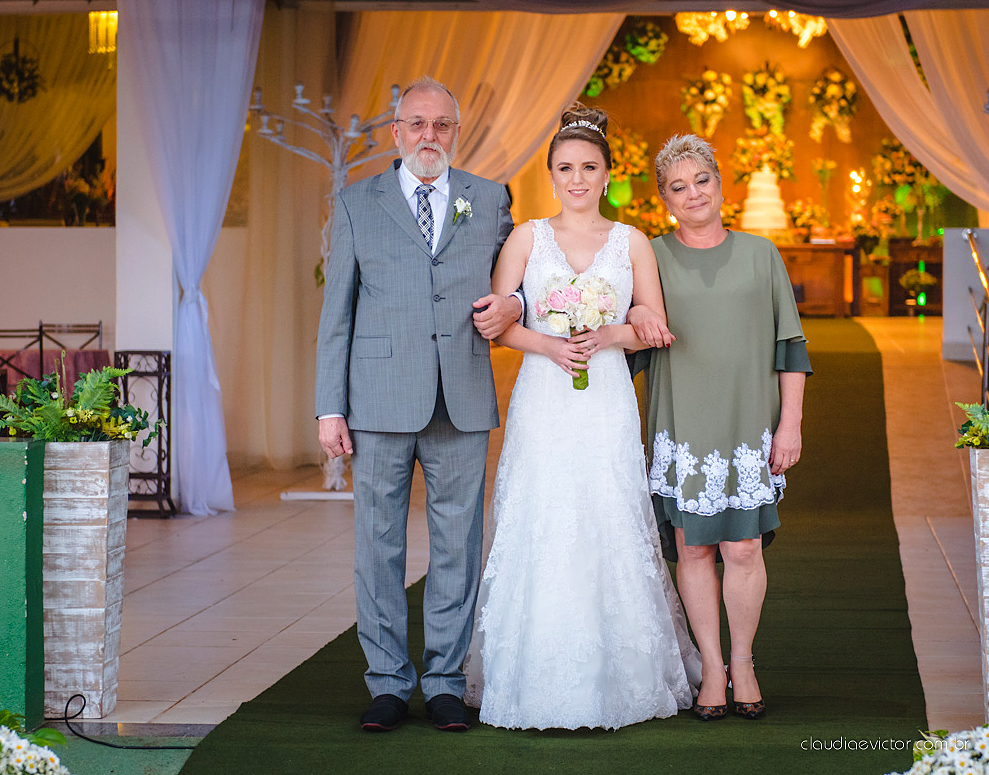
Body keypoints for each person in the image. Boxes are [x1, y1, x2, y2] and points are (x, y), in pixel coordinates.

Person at [463, 104, 700, 731]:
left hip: (605, 401)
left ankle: (621, 678)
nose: (576, 179)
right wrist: (549, 343)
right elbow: (496, 323)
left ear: (606, 175)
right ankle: (529, 676)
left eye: (588, 167)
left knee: (608, 513)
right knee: (542, 517)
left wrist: (607, 333)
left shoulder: (631, 243)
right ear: (550, 174)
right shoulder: (525, 238)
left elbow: (652, 325)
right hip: (543, 396)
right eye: (565, 167)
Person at [315, 76, 521, 733]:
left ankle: (443, 680)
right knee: (376, 544)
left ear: (456, 133)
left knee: (459, 542)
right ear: (396, 132)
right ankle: (386, 683)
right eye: (416, 123)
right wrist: (329, 406)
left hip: (460, 393)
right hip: (376, 400)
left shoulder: (489, 200)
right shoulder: (355, 203)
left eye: (441, 124)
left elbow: (526, 281)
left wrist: (516, 304)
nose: (428, 134)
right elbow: (336, 314)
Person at [629, 134, 811, 721]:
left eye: (701, 180)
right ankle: (711, 666)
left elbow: (790, 347)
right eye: (677, 187)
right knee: (694, 547)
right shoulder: (649, 257)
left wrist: (791, 425)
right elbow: (629, 340)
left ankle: (744, 659)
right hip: (681, 424)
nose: (692, 194)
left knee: (743, 545)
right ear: (664, 199)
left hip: (745, 425)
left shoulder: (762, 255)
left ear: (720, 182)